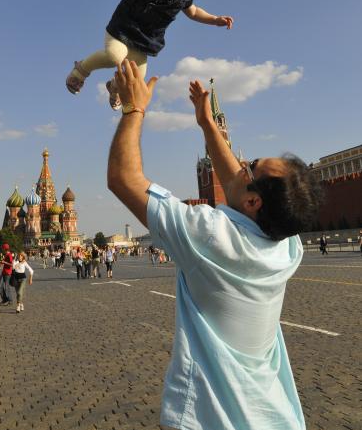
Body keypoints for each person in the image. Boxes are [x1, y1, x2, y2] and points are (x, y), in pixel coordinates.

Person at [107, 59, 323, 430]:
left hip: (211, 418)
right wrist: (208, 125)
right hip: (275, 416)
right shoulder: (287, 247)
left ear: (255, 202)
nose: (241, 164)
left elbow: (123, 178)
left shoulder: (209, 235)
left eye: (250, 165)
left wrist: (133, 107)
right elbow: (237, 185)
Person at [66, 0, 233, 110]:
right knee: (115, 56)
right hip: (122, 30)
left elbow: (193, 12)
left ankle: (114, 87)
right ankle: (80, 71)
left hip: (144, 42)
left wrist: (215, 20)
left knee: (137, 77)